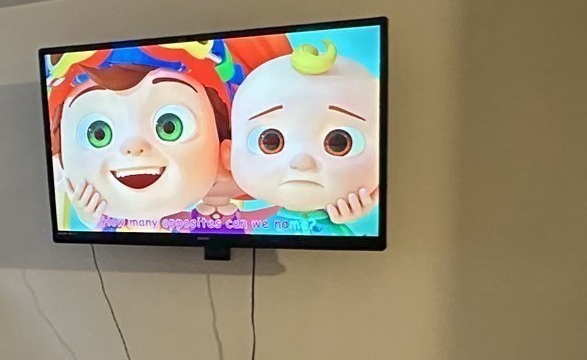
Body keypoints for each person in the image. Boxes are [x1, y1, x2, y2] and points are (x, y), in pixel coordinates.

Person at [46, 42, 238, 231]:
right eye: (99, 134)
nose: (134, 146)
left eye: (170, 126)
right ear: (59, 164)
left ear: (223, 147)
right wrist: (89, 218)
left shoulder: (201, 224)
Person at [228, 38, 381, 235]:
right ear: (229, 152)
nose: (302, 163)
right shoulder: (258, 230)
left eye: (339, 142)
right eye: (271, 141)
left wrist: (358, 215)